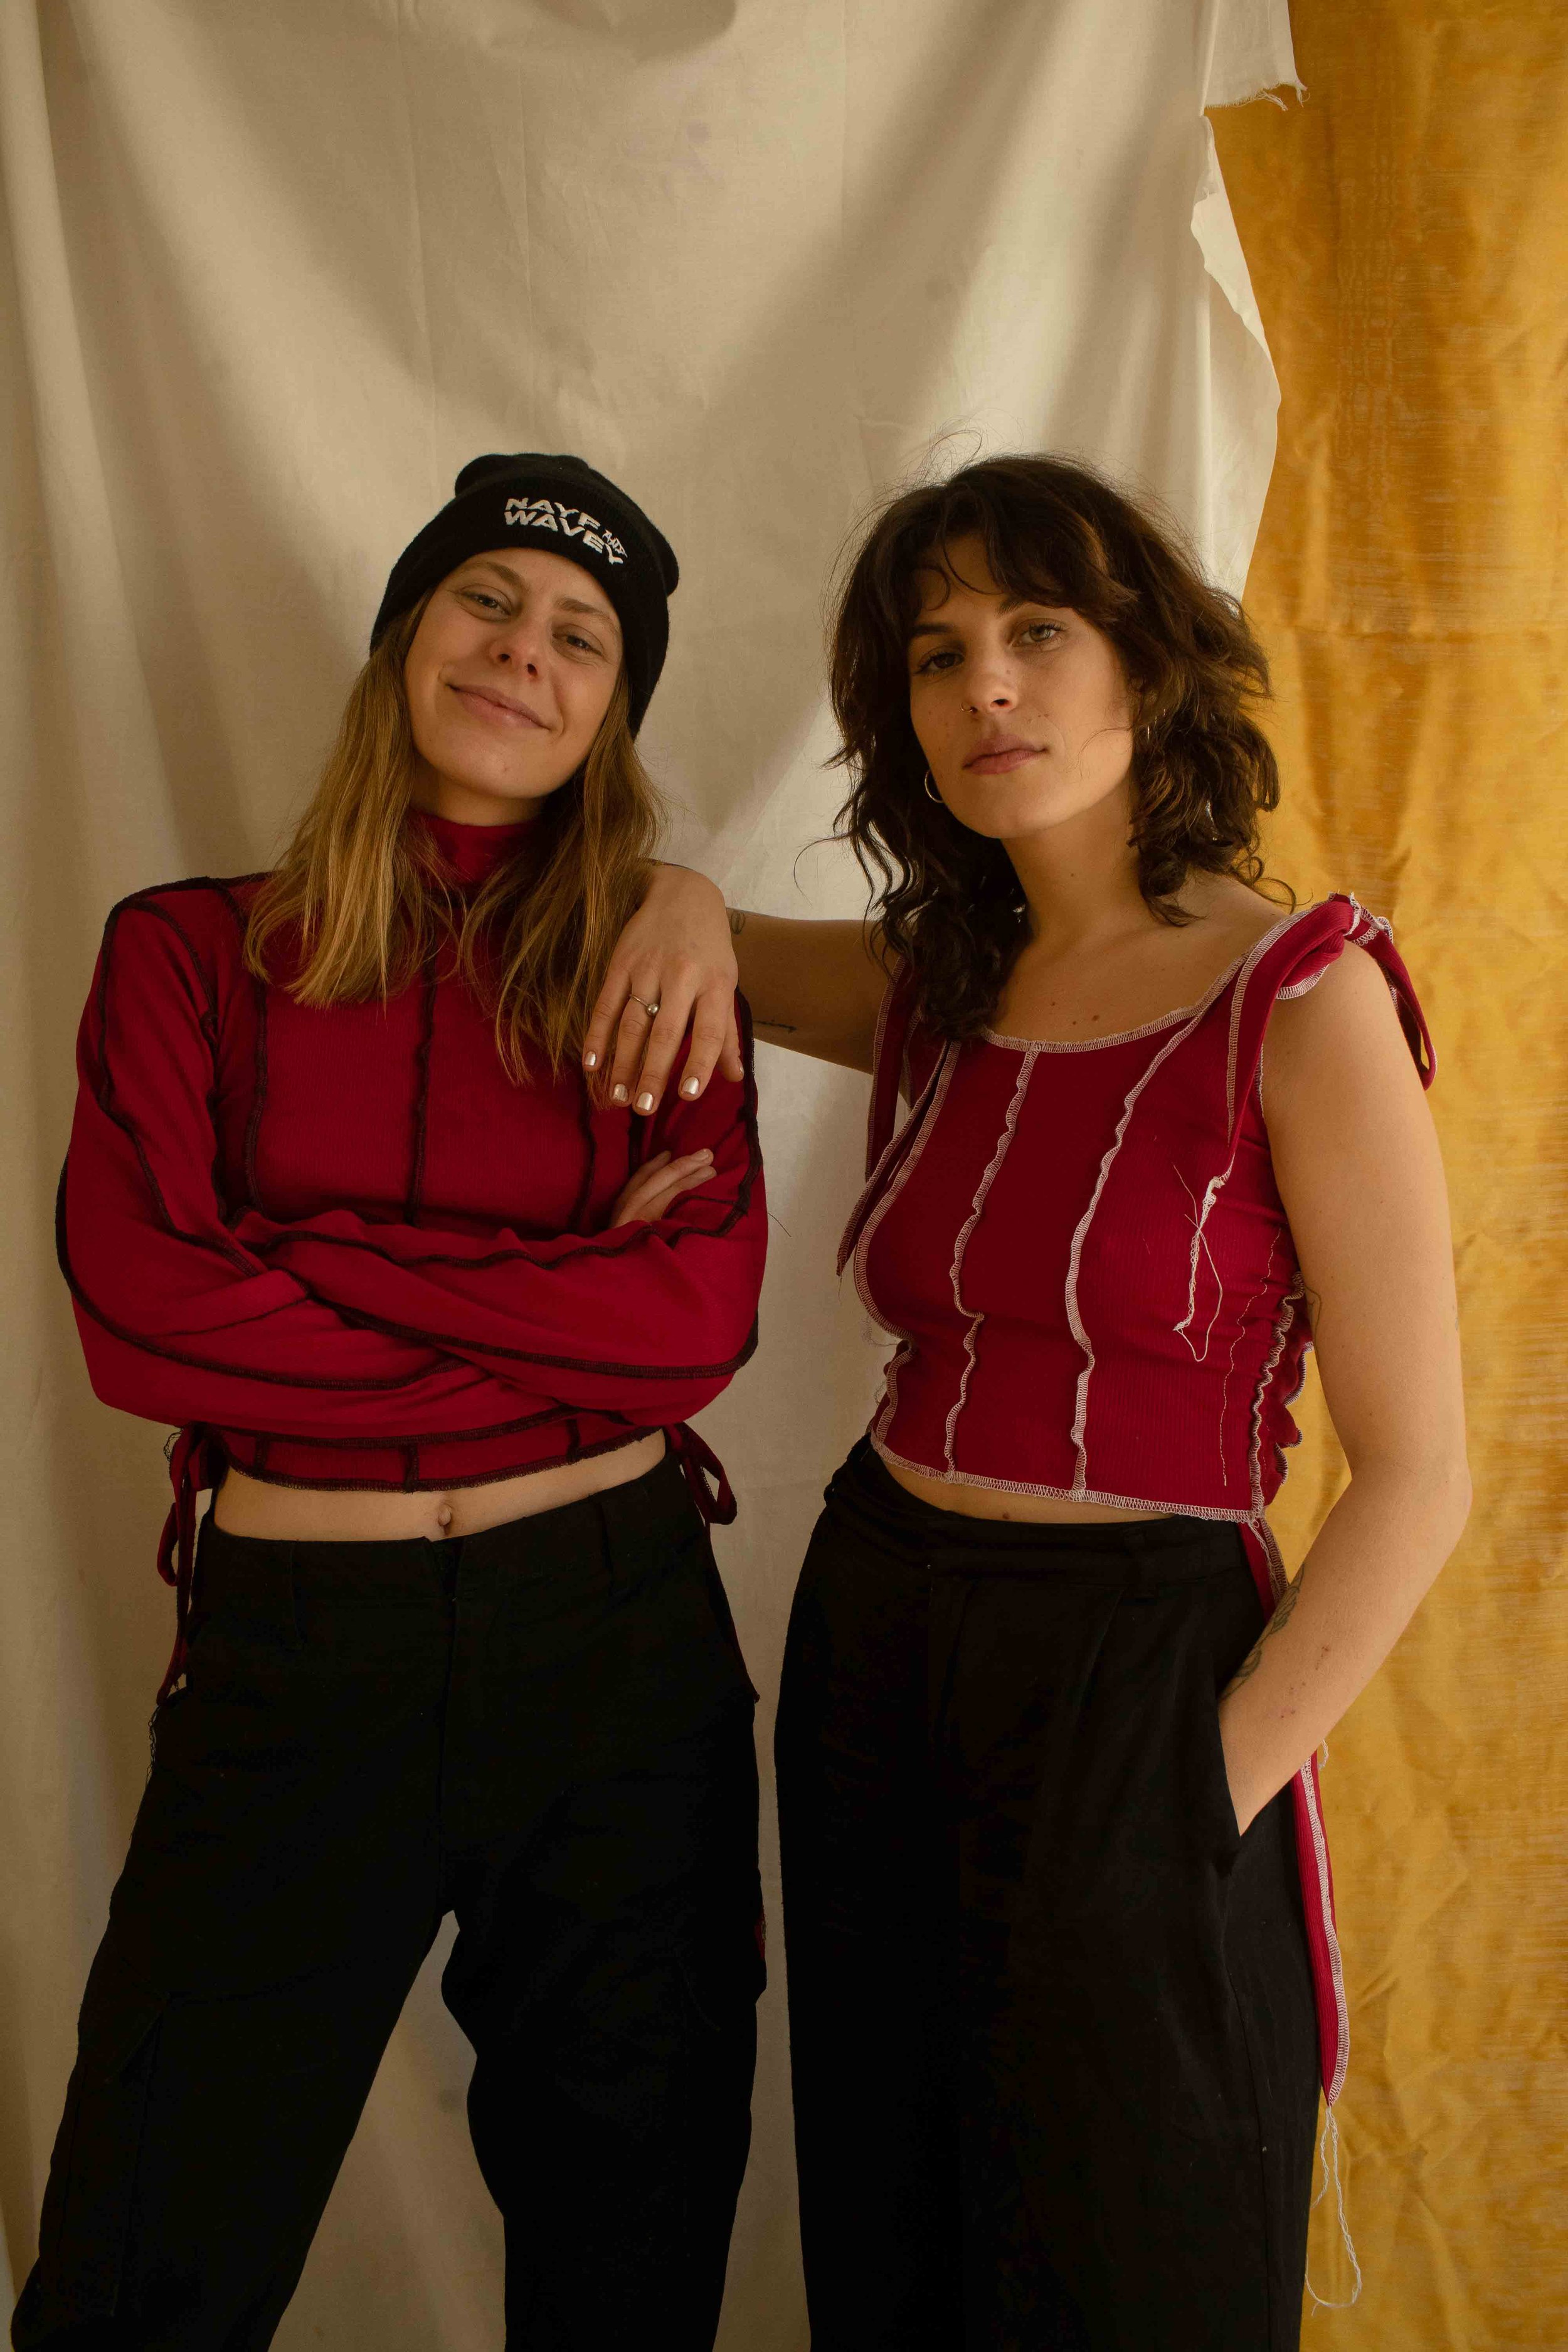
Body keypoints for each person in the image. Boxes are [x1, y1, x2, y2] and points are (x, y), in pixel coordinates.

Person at [585, 455, 1470, 2349]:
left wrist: (1194, 1801)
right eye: (937, 651)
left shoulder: (1297, 996)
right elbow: (702, 954)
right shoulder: (939, 974)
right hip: (879, 1629)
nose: (984, 682)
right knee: (893, 2226)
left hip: (1144, 1665)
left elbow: (1416, 1478)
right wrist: (663, 876)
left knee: (1131, 2252)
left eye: (1036, 632)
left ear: (1142, 667)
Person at [16, 454, 768, 2352]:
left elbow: (686, 1329)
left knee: (633, 2254)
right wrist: (559, 1300)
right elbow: (145, 1323)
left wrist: (309, 1248)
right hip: (295, 1662)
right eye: (486, 601)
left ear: (615, 709)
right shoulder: (185, 952)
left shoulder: (657, 975)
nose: (526, 653)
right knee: (142, 2260)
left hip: (614, 1656)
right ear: (404, 639)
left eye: (582, 638)